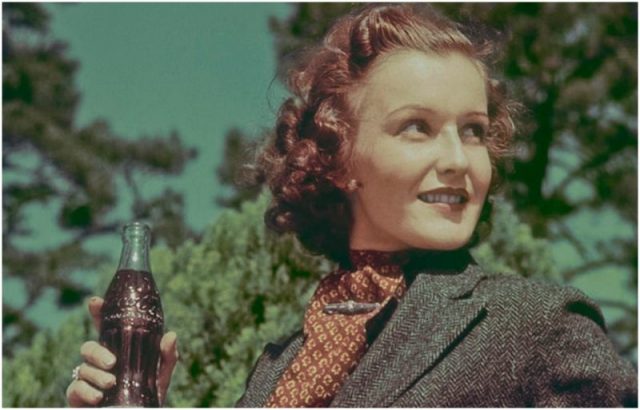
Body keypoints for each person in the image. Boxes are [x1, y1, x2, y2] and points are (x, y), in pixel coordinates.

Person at [66, 4, 637, 407]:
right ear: (339, 160)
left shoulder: (539, 327)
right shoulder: (276, 367)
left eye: (473, 131)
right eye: (417, 128)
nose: (459, 160)